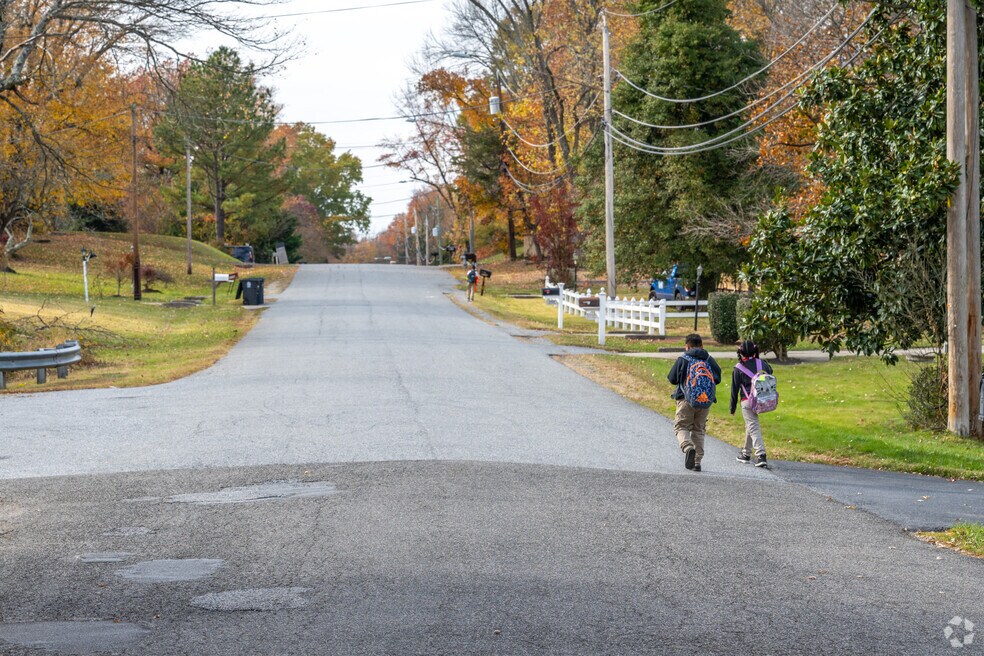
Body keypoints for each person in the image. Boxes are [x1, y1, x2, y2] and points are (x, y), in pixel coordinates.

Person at [667, 334, 722, 472]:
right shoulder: (709, 359)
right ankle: (697, 462)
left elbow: (672, 378)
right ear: (702, 345)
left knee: (681, 426)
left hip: (685, 399)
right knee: (699, 429)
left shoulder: (683, 359)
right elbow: (718, 378)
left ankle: (687, 447)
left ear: (687, 346)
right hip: (705, 400)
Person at [730, 340, 773, 468]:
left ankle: (761, 455)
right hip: (762, 399)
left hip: (747, 401)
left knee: (753, 426)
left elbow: (734, 389)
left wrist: (732, 407)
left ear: (740, 353)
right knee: (751, 424)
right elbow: (770, 371)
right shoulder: (761, 363)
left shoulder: (738, 368)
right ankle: (746, 454)